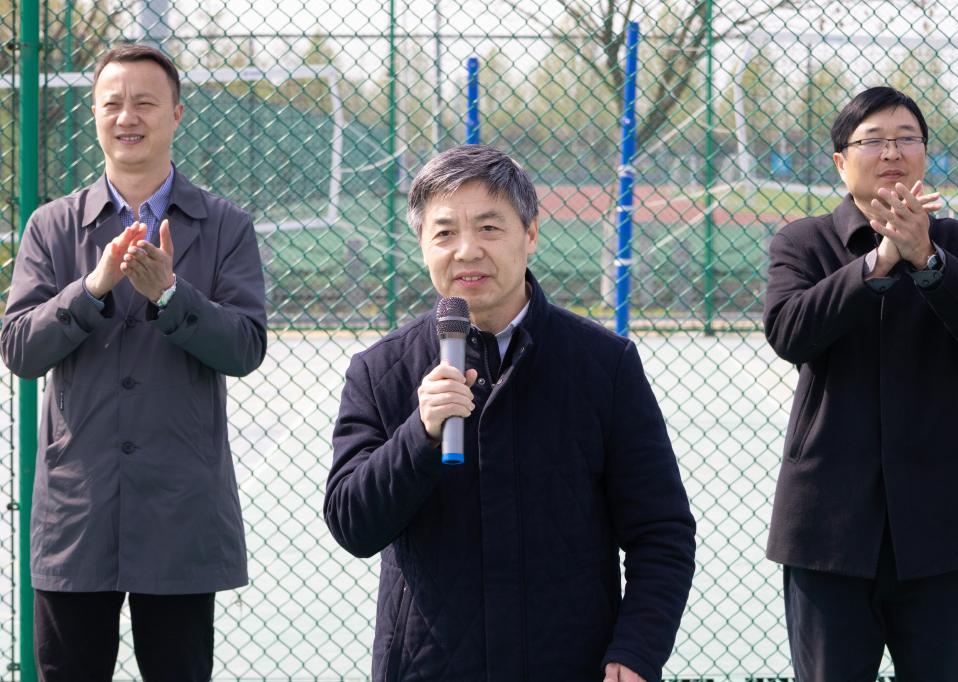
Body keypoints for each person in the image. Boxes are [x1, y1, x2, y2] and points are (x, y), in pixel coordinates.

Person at [324, 144, 696, 682]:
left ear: (531, 233)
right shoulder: (381, 370)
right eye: (445, 233)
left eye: (489, 228)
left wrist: (637, 651)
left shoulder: (603, 364)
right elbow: (352, 524)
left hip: (570, 663)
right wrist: (420, 435)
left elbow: (661, 531)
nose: (467, 250)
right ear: (422, 244)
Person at [0, 45, 267, 681]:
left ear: (176, 114)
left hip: (180, 509)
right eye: (112, 103)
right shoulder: (52, 226)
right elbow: (20, 349)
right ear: (94, 115)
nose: (128, 116)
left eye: (145, 102)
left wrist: (171, 296)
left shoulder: (226, 226)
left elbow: (245, 347)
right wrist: (91, 289)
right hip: (77, 511)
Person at [763, 86, 958, 681]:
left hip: (937, 525)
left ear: (924, 153)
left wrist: (926, 257)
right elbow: (790, 334)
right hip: (828, 527)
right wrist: (877, 262)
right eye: (873, 140)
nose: (891, 153)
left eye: (907, 139)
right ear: (841, 162)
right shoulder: (803, 242)